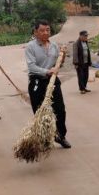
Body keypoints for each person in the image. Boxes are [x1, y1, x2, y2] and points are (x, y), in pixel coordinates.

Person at [24, 20, 70, 148]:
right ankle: (44, 139)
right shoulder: (30, 46)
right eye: (42, 30)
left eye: (48, 30)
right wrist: (47, 71)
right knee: (40, 111)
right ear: (35, 32)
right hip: (37, 81)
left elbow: (58, 64)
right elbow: (32, 66)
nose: (45, 33)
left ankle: (60, 136)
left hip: (53, 81)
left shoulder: (54, 45)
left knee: (60, 110)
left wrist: (63, 55)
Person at [73, 30, 92, 94]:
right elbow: (75, 54)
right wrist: (75, 63)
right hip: (80, 63)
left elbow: (88, 52)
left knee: (86, 75)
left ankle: (84, 87)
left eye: (87, 35)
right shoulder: (76, 43)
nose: (86, 37)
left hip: (86, 62)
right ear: (81, 36)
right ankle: (81, 89)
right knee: (81, 76)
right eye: (85, 36)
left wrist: (89, 61)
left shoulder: (86, 42)